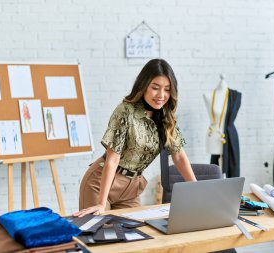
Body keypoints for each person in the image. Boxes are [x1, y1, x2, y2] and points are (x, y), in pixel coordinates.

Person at [74, 59, 197, 217]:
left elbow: (178, 155)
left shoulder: (167, 117)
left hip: (131, 188)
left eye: (167, 89)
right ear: (144, 85)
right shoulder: (125, 110)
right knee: (99, 235)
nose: (161, 95)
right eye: (155, 88)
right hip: (100, 184)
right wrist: (101, 203)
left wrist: (195, 190)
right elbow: (112, 159)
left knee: (135, 234)